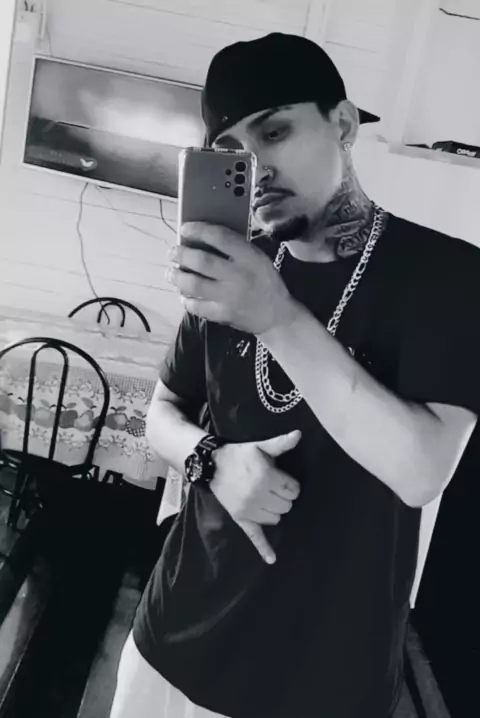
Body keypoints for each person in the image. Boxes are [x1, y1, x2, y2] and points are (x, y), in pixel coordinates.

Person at [110, 33, 480, 718]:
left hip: (322, 679)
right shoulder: (230, 271)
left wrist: (275, 316)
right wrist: (211, 460)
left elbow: (422, 470)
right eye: (231, 151)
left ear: (343, 124)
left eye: (274, 132)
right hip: (171, 637)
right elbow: (161, 411)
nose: (256, 168)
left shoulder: (450, 278)